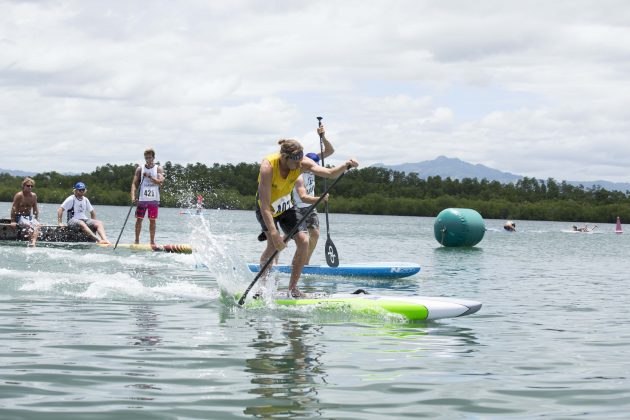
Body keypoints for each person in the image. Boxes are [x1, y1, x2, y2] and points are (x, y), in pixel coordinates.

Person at [256, 138, 358, 298]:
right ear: (284, 157)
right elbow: (264, 206)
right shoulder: (268, 167)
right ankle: (262, 287)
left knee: (303, 241)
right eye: (295, 162)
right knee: (273, 246)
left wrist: (346, 166)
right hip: (266, 207)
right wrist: (275, 235)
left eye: (300, 161)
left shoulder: (302, 162)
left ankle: (293, 289)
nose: (299, 166)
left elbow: (330, 174)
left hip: (286, 206)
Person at [292, 124, 335, 264]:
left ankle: (305, 262)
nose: (313, 170)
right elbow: (303, 196)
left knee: (315, 234)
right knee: (300, 239)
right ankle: (292, 262)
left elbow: (330, 150)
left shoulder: (313, 160)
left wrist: (323, 137)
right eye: (311, 168)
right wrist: (320, 198)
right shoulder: (298, 175)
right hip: (298, 208)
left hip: (311, 208)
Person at [131, 148, 165, 245]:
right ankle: (136, 241)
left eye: (150, 157)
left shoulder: (158, 168)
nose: (148, 160)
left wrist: (150, 177)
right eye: (146, 158)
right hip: (142, 199)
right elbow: (134, 184)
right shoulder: (140, 169)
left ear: (153, 158)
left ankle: (152, 242)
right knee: (139, 219)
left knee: (152, 221)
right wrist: (133, 197)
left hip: (153, 199)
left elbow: (160, 182)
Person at [10, 177, 41, 246]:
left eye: (31, 186)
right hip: (19, 217)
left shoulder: (33, 196)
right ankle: (31, 241)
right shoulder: (19, 195)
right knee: (29, 225)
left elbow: (35, 208)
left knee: (37, 225)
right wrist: (13, 221)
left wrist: (36, 219)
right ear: (23, 186)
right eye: (28, 186)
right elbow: (14, 208)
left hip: (28, 217)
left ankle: (33, 243)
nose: (30, 187)